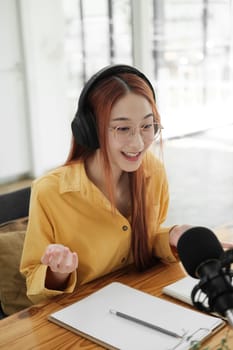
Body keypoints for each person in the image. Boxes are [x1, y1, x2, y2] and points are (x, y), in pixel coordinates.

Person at [19, 65, 203, 303]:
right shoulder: (50, 192)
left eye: (147, 126)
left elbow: (143, 242)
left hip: (137, 297)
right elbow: (34, 288)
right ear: (91, 131)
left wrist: (173, 237)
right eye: (123, 128)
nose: (138, 143)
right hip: (79, 316)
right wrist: (58, 272)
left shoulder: (152, 171)